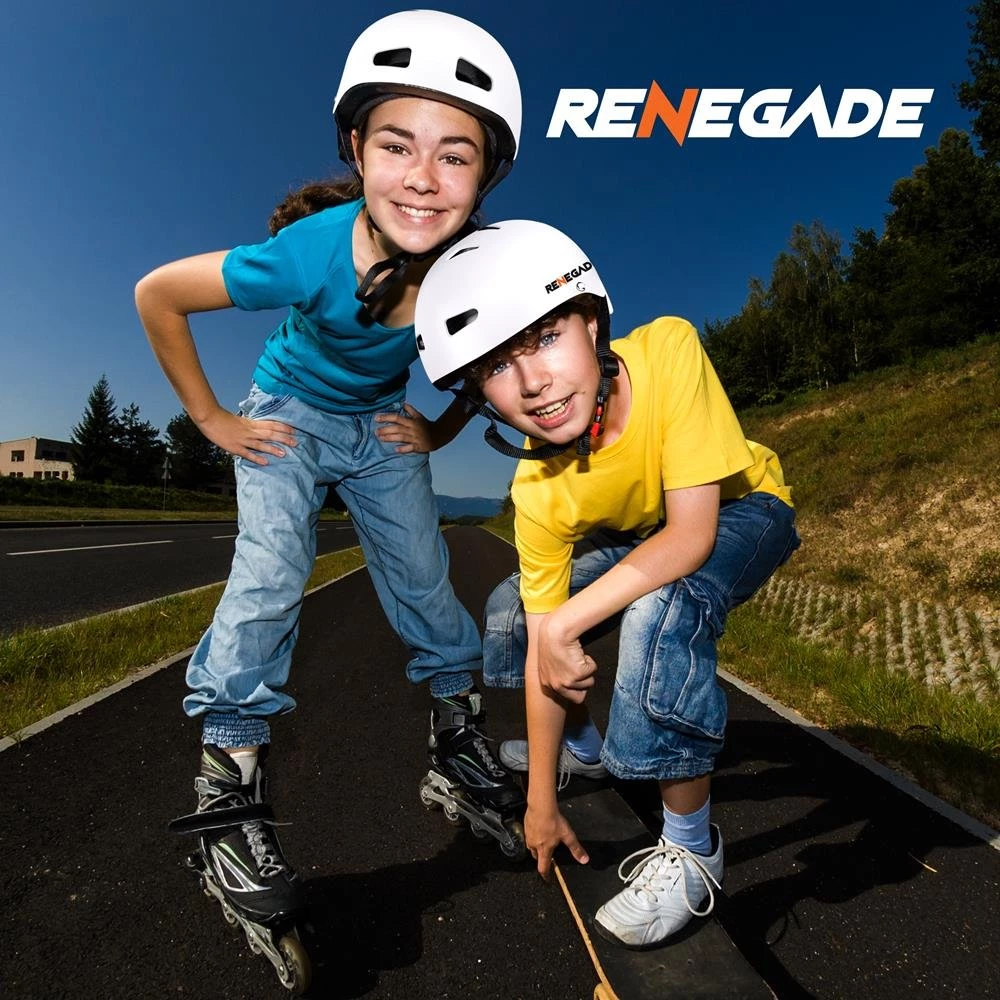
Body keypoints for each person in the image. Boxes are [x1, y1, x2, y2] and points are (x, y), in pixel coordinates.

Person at [134, 9, 525, 934]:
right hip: (289, 415)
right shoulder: (308, 251)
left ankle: (457, 737)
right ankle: (229, 782)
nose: (422, 178)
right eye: (396, 145)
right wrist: (212, 418)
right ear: (356, 147)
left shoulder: (474, 270)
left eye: (454, 156)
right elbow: (159, 294)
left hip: (380, 426)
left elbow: (491, 360)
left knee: (426, 577)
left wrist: (437, 426)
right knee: (273, 569)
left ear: (484, 176)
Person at [413, 219, 800, 948]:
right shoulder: (537, 491)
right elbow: (542, 650)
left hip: (743, 507)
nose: (531, 383)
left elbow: (691, 537)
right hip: (646, 531)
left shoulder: (669, 349)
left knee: (661, 605)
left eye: (544, 338)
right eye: (496, 367)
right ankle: (586, 752)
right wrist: (539, 802)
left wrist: (564, 623)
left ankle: (693, 849)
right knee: (514, 612)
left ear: (592, 323)